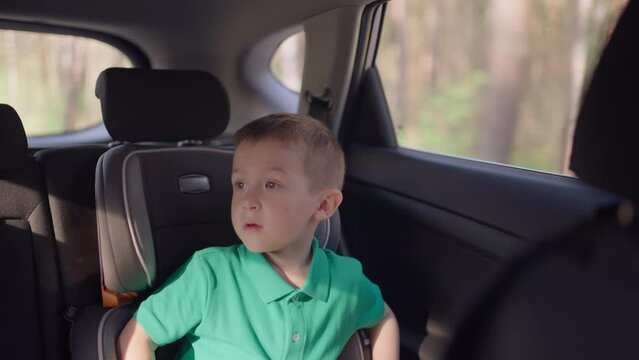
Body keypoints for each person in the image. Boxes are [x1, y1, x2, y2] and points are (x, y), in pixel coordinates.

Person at [117, 113, 400, 359]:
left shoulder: (345, 282)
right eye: (240, 184)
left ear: (324, 205)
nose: (247, 200)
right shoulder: (209, 274)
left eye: (271, 184)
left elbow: (383, 317)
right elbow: (138, 337)